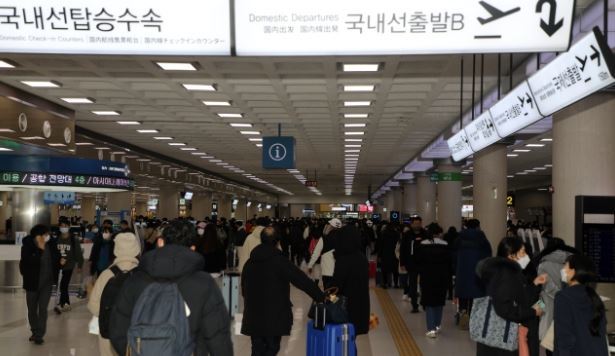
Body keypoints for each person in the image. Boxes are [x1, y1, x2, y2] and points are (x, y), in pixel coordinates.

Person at [109, 219, 233, 355]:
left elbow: (117, 331)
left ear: (161, 242)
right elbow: (218, 337)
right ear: (192, 248)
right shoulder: (204, 283)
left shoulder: (135, 280)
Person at [242, 227, 325, 356]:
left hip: (253, 314)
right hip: (274, 315)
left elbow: (244, 287)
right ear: (277, 242)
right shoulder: (279, 261)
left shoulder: (250, 262)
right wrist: (320, 296)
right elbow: (301, 280)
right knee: (272, 348)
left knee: (257, 349)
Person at [476, 237, 547, 356]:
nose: (526, 256)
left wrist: (534, 284)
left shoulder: (502, 272)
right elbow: (505, 309)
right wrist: (533, 312)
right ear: (511, 255)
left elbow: (514, 298)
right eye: (522, 252)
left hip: (495, 334)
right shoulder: (507, 275)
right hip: (502, 337)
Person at [88, 232, 141, 356]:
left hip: (109, 333)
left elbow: (94, 307)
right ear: (137, 249)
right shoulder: (144, 275)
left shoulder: (107, 274)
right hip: (136, 334)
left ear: (116, 249)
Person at [554, 254, 608, 356]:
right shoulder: (594, 296)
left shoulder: (563, 297)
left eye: (565, 266)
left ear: (573, 271)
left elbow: (564, 338)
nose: (562, 269)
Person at [535, 238, 578, 356]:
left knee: (550, 340)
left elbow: (544, 286)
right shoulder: (570, 262)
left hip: (548, 303)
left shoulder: (543, 263)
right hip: (567, 303)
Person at [20, 224, 59, 345]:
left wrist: (60, 261)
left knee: (43, 309)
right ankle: (34, 330)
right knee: (32, 309)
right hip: (32, 283)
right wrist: (40, 250)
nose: (48, 236)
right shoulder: (28, 246)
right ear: (38, 236)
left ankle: (39, 335)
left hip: (46, 283)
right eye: (46, 234)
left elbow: (56, 258)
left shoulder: (51, 245)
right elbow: (27, 262)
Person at [333, 224, 370, 335]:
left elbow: (335, 287)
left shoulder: (343, 260)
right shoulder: (362, 258)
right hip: (361, 306)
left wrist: (329, 298)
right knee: (353, 338)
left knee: (345, 343)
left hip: (345, 308)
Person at [416, 223, 451, 338]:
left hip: (427, 277)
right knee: (439, 301)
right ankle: (437, 325)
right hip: (442, 277)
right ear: (439, 232)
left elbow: (419, 262)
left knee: (429, 302)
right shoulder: (445, 245)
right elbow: (449, 263)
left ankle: (431, 329)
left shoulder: (423, 245)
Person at [455, 219, 492, 316]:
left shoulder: (460, 237)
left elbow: (453, 253)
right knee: (474, 295)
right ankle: (472, 316)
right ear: (477, 226)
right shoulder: (481, 237)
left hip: (462, 271)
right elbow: (488, 254)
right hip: (476, 272)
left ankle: (462, 314)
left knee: (463, 294)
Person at [54, 218, 84, 313]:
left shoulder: (73, 239)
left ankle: (63, 304)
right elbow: (53, 252)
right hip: (58, 266)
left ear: (69, 227)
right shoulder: (57, 239)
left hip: (69, 266)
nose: (63, 228)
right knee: (61, 285)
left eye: (65, 226)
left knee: (63, 285)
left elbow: (78, 253)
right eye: (61, 226)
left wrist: (80, 265)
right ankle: (66, 302)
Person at [399, 216, 426, 312]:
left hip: (424, 263)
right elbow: (402, 249)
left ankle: (424, 302)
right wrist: (402, 263)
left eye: (419, 223)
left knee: (424, 284)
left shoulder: (425, 234)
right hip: (411, 263)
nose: (417, 225)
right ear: (411, 224)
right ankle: (414, 305)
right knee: (413, 285)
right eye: (415, 223)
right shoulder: (407, 235)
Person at [308, 218, 342, 290]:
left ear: (331, 226)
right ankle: (335, 300)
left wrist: (310, 265)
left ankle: (331, 300)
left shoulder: (324, 238)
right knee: (337, 290)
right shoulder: (344, 239)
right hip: (340, 271)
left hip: (327, 271)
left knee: (328, 290)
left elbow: (316, 253)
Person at [377, 222, 400, 289]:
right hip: (394, 254)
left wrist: (379, 255)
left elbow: (381, 246)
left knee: (385, 270)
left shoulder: (383, 234)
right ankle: (396, 284)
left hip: (385, 254)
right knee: (395, 270)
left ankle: (385, 283)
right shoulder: (396, 234)